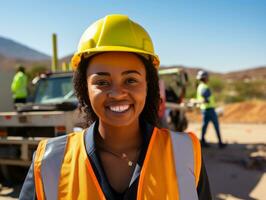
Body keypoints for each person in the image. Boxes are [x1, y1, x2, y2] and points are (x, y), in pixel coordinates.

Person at [20, 14, 211, 200]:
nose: (117, 93)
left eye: (130, 80)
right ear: (84, 88)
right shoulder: (49, 162)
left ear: (148, 86)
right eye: (102, 82)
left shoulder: (184, 153)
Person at [196, 70, 226, 149]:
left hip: (205, 109)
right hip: (209, 109)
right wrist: (206, 99)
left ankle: (202, 141)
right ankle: (220, 143)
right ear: (205, 78)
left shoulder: (200, 86)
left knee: (204, 126)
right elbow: (205, 97)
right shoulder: (204, 87)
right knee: (216, 125)